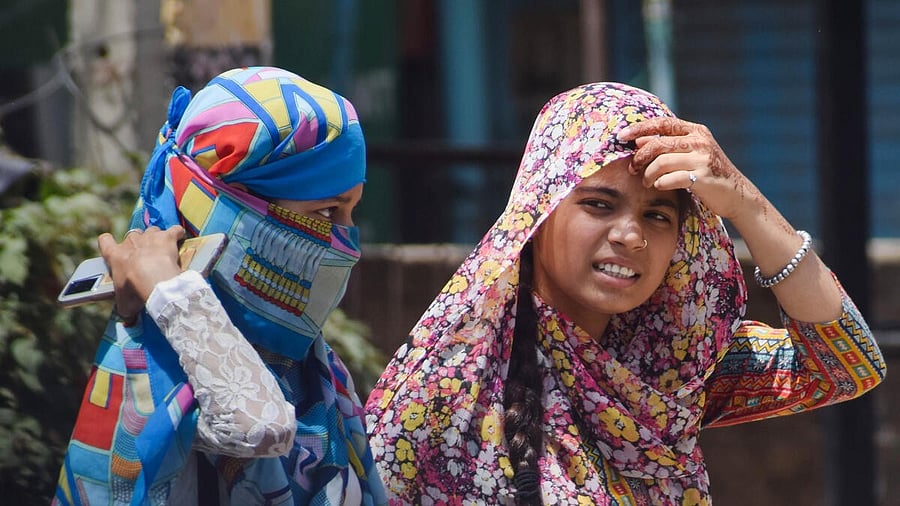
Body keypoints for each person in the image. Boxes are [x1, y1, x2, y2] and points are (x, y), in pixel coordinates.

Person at [364, 82, 886, 504]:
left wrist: (747, 205)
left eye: (657, 215)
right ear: (538, 212)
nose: (630, 235)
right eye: (598, 204)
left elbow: (846, 365)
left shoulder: (669, 368)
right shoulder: (445, 387)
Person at [54, 66, 386, 505]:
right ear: (232, 209)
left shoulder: (310, 366)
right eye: (326, 212)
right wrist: (171, 293)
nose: (347, 243)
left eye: (352, 213)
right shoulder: (166, 348)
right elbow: (261, 426)